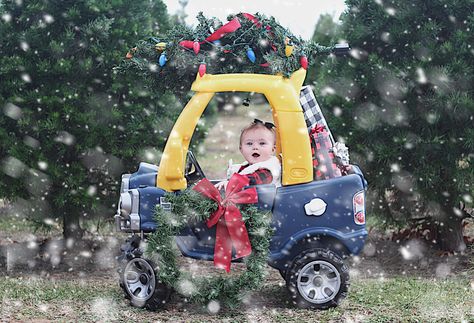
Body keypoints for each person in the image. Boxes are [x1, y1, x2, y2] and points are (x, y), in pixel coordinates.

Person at [215, 119, 281, 190]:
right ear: (241, 149)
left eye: (262, 143)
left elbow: (254, 180)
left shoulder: (269, 169)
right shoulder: (246, 167)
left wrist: (232, 183)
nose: (255, 147)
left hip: (267, 201)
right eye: (249, 143)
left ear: (273, 149)